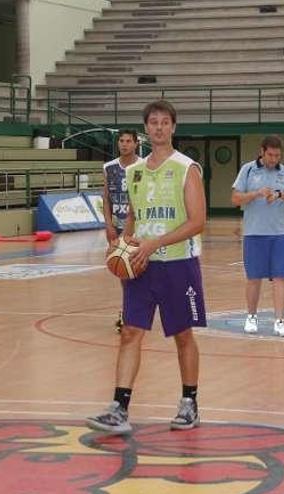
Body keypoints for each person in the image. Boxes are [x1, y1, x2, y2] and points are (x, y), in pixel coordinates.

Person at [86, 100, 206, 434]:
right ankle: (119, 408)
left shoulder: (187, 168)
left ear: (173, 127)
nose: (158, 127)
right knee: (130, 332)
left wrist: (155, 243)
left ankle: (189, 403)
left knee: (182, 335)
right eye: (153, 122)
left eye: (165, 122)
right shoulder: (133, 172)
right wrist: (122, 249)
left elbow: (198, 221)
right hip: (140, 265)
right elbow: (134, 218)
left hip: (178, 264)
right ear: (146, 129)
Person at [231, 135, 284, 337]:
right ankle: (251, 316)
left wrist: (282, 194)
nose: (274, 159)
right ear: (261, 152)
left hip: (280, 234)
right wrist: (255, 194)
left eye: (277, 155)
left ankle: (280, 321)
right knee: (254, 278)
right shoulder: (247, 170)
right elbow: (235, 198)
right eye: (271, 155)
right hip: (254, 233)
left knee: (280, 277)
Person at [102, 130, 141, 333]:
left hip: (138, 228)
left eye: (128, 141)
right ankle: (128, 313)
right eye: (121, 141)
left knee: (139, 272)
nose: (124, 144)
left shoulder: (144, 166)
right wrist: (108, 224)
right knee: (123, 271)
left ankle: (133, 311)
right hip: (117, 227)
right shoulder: (109, 167)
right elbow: (106, 198)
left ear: (136, 143)